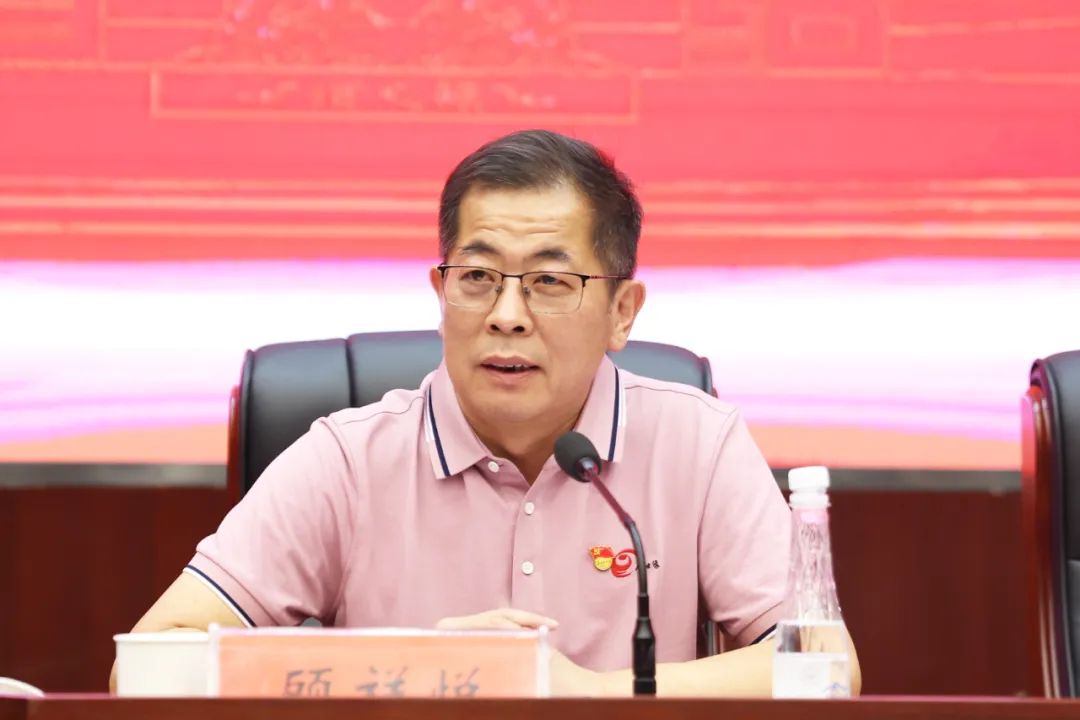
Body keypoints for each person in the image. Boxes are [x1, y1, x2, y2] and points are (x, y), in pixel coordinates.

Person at [112, 129, 860, 696]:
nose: (506, 314)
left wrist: (585, 693)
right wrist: (429, 671)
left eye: (548, 282)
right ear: (441, 294)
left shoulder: (696, 443)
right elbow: (146, 666)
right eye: (477, 277)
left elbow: (824, 665)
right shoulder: (347, 460)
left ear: (622, 312)